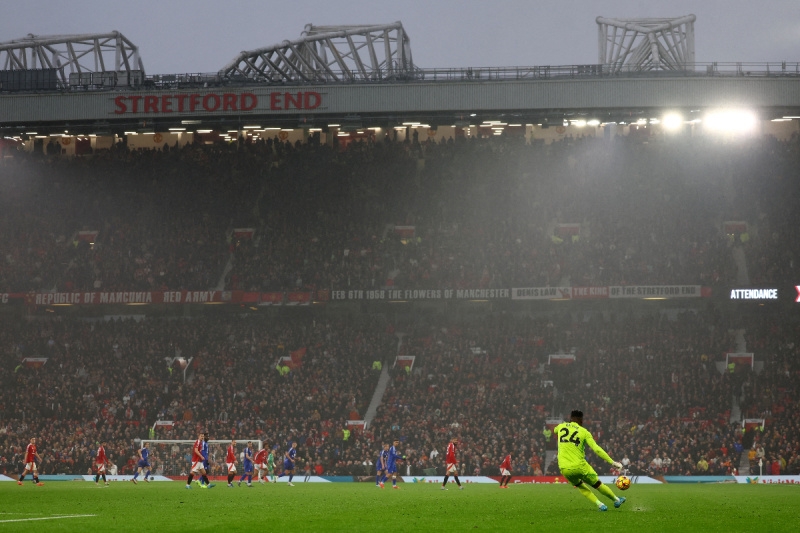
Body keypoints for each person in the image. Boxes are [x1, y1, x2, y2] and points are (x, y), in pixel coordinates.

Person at [554, 410, 626, 511]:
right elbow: (596, 449)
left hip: (564, 468)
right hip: (580, 466)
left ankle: (600, 505)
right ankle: (616, 500)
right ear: (581, 421)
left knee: (580, 486)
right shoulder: (584, 432)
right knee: (597, 484)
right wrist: (612, 462)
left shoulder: (561, 426)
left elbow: (555, 430)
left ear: (570, 419)